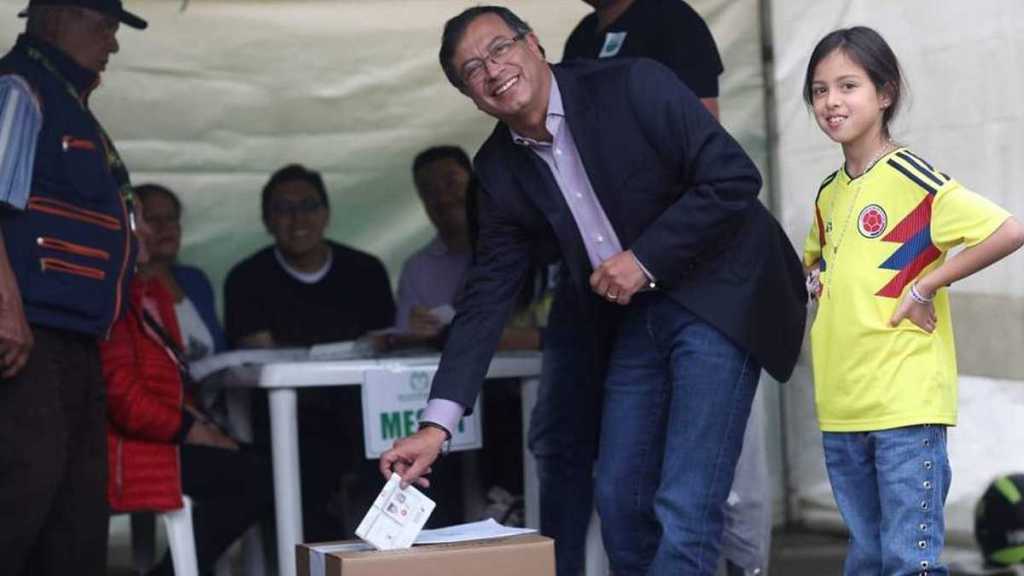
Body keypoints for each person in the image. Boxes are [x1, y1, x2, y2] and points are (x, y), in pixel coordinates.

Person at [381, 6, 807, 575]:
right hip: (634, 316)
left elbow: (734, 177)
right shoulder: (498, 168)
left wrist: (644, 259)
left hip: (718, 292)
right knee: (621, 502)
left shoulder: (632, 84)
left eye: (500, 48)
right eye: (473, 70)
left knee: (686, 504)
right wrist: (436, 427)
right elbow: (486, 298)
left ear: (533, 44)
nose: (493, 70)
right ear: (470, 96)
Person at [549, 3, 770, 575]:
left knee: (703, 494)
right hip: (633, 302)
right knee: (623, 496)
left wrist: (650, 249)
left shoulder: (672, 21)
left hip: (707, 283)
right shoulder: (581, 36)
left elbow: (706, 148)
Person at [802, 27, 1024, 576]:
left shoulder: (912, 178)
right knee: (866, 558)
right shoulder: (828, 193)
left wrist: (926, 285)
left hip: (904, 403)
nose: (831, 101)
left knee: (908, 561)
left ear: (885, 93)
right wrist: (814, 280)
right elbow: (816, 263)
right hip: (842, 404)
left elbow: (1007, 230)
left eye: (848, 86)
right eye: (819, 89)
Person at [0, 2, 144, 574]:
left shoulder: (67, 101)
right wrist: (6, 308)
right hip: (27, 340)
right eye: (106, 26)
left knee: (75, 517)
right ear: (59, 15)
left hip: (73, 340)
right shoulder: (19, 88)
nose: (113, 44)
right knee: (21, 500)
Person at [224, 163, 395, 540]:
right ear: (267, 221)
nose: (297, 218)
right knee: (307, 480)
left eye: (308, 206)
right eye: (283, 209)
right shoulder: (247, 278)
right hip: (287, 419)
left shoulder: (365, 271)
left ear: (327, 213)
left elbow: (384, 345)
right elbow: (260, 353)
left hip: (363, 412)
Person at [100, 206, 273, 576]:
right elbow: (124, 398)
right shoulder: (110, 299)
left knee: (267, 465)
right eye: (140, 221)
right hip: (128, 450)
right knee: (257, 476)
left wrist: (197, 423)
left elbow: (173, 381)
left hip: (158, 435)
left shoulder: (144, 294)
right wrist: (191, 429)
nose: (151, 231)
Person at [134, 184, 226, 363]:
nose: (165, 227)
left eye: (171, 218)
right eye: (152, 219)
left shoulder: (195, 280)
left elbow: (221, 354)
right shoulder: (123, 290)